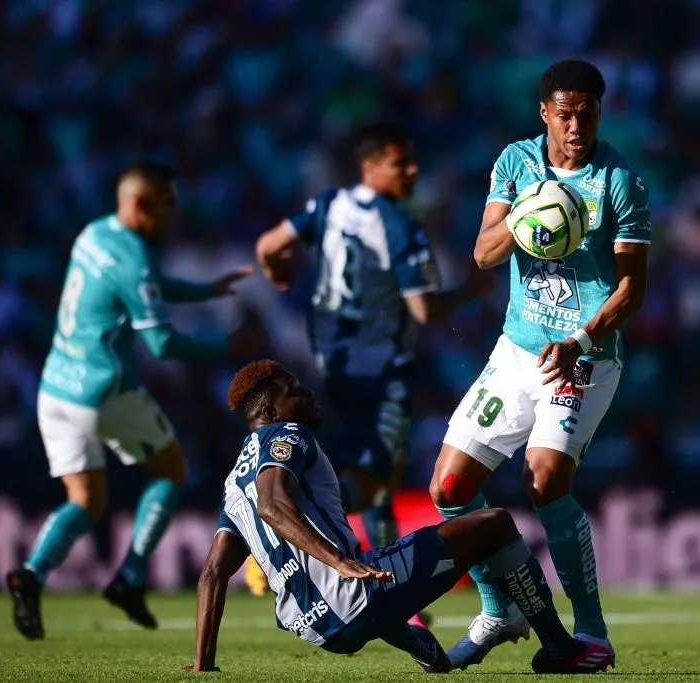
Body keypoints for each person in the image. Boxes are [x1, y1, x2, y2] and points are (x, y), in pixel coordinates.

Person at [428, 59, 652, 669]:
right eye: (566, 113)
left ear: (600, 113)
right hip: (518, 347)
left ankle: (592, 631)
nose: (577, 125)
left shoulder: (620, 183)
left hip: (584, 356)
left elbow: (631, 291)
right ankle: (498, 609)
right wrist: (526, 217)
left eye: (588, 113)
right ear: (546, 113)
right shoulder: (514, 163)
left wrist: (579, 340)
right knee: (449, 487)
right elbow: (482, 254)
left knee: (545, 479)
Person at [184, 359, 614, 674]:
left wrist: (203, 665)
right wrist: (340, 562)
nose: (306, 391)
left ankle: (414, 638)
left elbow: (213, 574)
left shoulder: (231, 483)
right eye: (292, 388)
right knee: (495, 524)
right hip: (353, 596)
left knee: (380, 578)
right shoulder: (287, 434)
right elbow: (272, 504)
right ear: (272, 412)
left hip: (312, 627)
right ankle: (560, 647)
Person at [7, 162, 267, 640]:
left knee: (84, 500)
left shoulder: (94, 234)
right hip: (105, 391)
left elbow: (144, 286)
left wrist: (204, 290)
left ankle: (31, 572)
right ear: (141, 205)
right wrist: (230, 346)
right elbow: (163, 345)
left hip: (56, 388)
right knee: (170, 471)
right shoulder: (135, 257)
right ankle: (129, 577)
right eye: (167, 203)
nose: (175, 212)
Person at [252, 123, 491, 585]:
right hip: (381, 370)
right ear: (370, 167)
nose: (412, 171)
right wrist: (470, 290)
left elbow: (268, 246)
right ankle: (283, 526)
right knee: (376, 479)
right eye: (400, 163)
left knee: (376, 476)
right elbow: (424, 309)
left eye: (412, 161)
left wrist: (278, 273)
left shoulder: (328, 205)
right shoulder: (399, 224)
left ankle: (387, 579)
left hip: (330, 365)